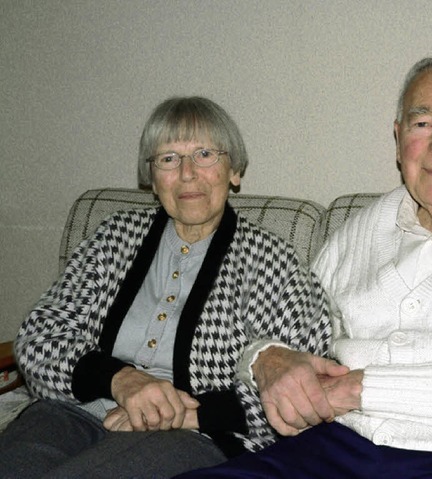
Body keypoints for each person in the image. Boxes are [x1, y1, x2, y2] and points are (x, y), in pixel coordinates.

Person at [177, 52, 432, 479]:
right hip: (335, 448)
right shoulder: (359, 231)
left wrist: (354, 390)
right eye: (421, 123)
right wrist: (267, 359)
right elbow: (284, 335)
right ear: (398, 139)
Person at [0, 96, 337, 478]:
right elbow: (39, 334)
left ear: (235, 170)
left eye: (205, 154)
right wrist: (121, 380)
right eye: (169, 158)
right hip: (74, 410)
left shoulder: (271, 259)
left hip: (191, 435)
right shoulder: (115, 237)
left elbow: (301, 389)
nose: (188, 173)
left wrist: (187, 413)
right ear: (152, 177)